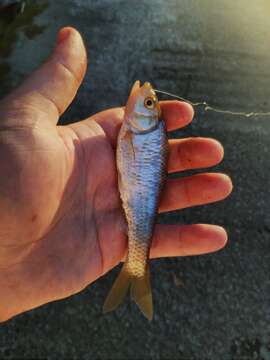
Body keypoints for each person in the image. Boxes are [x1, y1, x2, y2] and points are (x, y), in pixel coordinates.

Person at [0, 27, 232, 322]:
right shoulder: (136, 131)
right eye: (150, 102)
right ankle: (135, 271)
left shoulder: (137, 132)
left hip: (136, 197)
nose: (145, 97)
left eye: (149, 103)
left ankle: (136, 269)